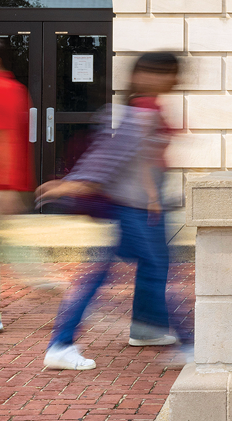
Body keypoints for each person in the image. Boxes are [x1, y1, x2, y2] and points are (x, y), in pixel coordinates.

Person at [38, 53, 183, 370]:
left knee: (113, 273)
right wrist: (68, 186)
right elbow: (106, 160)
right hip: (130, 210)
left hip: (137, 207)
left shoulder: (146, 111)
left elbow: (142, 159)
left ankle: (69, 342)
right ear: (146, 75)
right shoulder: (137, 113)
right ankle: (187, 344)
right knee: (153, 272)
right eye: (169, 73)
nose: (175, 80)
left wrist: (153, 197)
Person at [0, 37, 34, 332]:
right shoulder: (16, 89)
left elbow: (6, 137)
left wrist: (8, 187)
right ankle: (42, 277)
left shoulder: (5, 90)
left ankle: (43, 279)